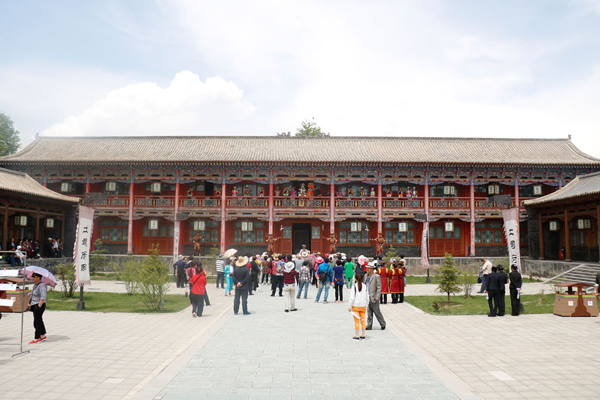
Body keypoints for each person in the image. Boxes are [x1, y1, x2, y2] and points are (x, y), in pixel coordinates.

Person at [365, 262, 386, 330]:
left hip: (373, 297)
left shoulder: (376, 276)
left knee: (377, 311)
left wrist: (377, 297)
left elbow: (379, 287)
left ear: (372, 269)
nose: (367, 269)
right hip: (367, 297)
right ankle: (369, 325)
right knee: (369, 312)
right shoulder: (365, 276)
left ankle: (382, 324)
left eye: (368, 268)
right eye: (367, 268)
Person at [348, 274, 369, 340]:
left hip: (355, 306)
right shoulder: (365, 286)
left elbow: (352, 298)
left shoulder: (354, 286)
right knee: (363, 321)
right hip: (363, 306)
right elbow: (367, 297)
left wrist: (349, 306)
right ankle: (363, 335)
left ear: (355, 279)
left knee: (357, 321)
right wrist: (367, 305)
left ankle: (357, 335)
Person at [29, 272, 47, 344]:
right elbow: (36, 293)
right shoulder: (35, 285)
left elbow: (43, 297)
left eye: (34, 277)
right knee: (39, 320)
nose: (33, 278)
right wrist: (31, 294)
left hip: (39, 305)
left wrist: (39, 306)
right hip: (34, 305)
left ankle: (37, 337)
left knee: (36, 322)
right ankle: (43, 334)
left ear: (38, 277)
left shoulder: (42, 285)